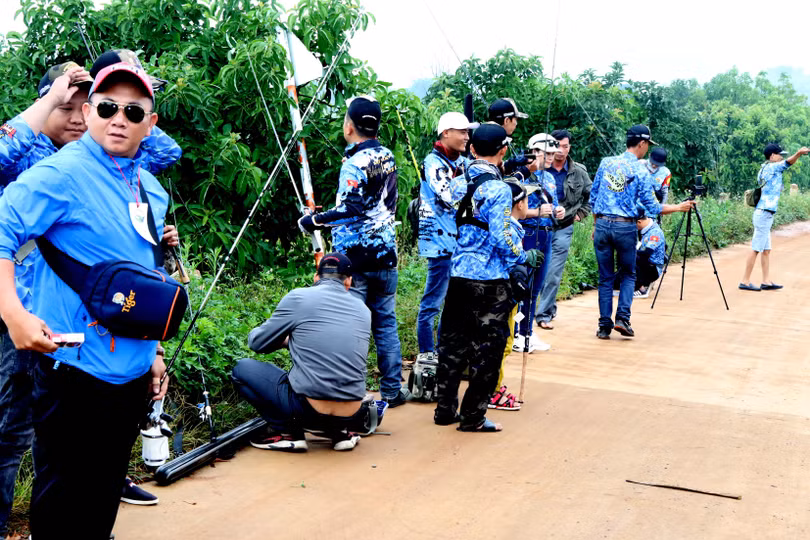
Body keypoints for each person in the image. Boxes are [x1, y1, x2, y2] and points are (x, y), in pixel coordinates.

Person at [0, 61, 170, 538]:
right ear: (91, 112)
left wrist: (153, 351)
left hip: (130, 375)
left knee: (100, 501)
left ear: (149, 124)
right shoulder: (61, 173)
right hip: (73, 371)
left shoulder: (150, 189)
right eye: (108, 107)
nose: (120, 119)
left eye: (133, 111)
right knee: (63, 507)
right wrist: (12, 312)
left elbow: (144, 276)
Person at [297, 96, 406, 407]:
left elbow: (351, 210)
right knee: (385, 322)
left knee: (351, 325)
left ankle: (351, 392)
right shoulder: (387, 156)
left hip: (355, 260)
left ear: (349, 126)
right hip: (386, 254)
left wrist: (313, 220)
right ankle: (392, 391)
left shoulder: (353, 164)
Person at [433, 124, 542, 432]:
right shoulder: (497, 190)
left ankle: (445, 409)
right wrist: (523, 256)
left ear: (472, 149)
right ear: (503, 150)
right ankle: (472, 416)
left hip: (458, 273)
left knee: (453, 346)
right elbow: (501, 235)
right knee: (488, 351)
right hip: (490, 281)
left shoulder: (457, 182)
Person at [232, 253, 371, 452]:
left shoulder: (299, 297)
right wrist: (296, 341)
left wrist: (282, 339)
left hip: (308, 409)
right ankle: (339, 433)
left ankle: (288, 433)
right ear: (348, 282)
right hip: (352, 413)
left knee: (242, 369)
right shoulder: (363, 309)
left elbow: (257, 343)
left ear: (316, 278)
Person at [589, 124, 695, 339]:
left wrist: (596, 225)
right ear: (642, 143)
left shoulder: (606, 163)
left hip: (602, 224)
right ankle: (622, 318)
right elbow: (653, 207)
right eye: (647, 145)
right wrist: (679, 207)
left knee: (605, 278)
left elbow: (593, 198)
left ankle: (603, 326)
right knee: (629, 273)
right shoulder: (641, 170)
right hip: (625, 227)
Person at [414, 112, 475, 369]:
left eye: (468, 132)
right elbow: (449, 196)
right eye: (462, 132)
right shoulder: (433, 162)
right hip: (441, 243)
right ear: (445, 132)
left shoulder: (460, 162)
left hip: (458, 242)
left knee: (455, 306)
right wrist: (472, 182)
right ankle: (428, 357)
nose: (466, 137)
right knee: (432, 304)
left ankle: (447, 354)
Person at [535, 129, 592, 330]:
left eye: (565, 146)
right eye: (557, 146)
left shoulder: (579, 171)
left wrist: (581, 214)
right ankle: (547, 307)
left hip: (564, 227)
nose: (560, 150)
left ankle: (542, 315)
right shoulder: (540, 169)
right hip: (539, 227)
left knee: (554, 272)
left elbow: (591, 196)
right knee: (537, 271)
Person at [513, 133, 564, 354]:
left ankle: (527, 331)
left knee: (536, 288)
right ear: (534, 152)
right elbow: (515, 211)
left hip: (546, 233)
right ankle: (516, 331)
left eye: (554, 153)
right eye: (547, 153)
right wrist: (536, 212)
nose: (552, 157)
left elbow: (551, 205)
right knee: (522, 285)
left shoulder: (550, 178)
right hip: (527, 233)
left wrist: (558, 211)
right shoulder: (522, 177)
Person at [739, 143, 810, 291]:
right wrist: (798, 153)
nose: (781, 157)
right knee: (756, 248)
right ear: (772, 156)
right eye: (779, 154)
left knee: (766, 249)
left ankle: (766, 281)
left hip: (764, 213)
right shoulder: (773, 167)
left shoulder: (763, 168)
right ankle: (745, 281)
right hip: (764, 213)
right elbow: (788, 163)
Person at [612, 211, 666, 299]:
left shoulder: (654, 232)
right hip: (641, 265)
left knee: (629, 256)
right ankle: (625, 278)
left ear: (639, 222)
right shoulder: (645, 228)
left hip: (652, 268)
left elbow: (646, 254)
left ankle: (641, 288)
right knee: (613, 283)